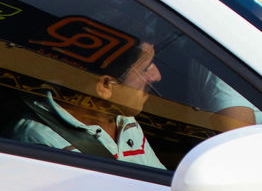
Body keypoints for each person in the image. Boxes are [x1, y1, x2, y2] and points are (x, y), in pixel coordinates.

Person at [10, 31, 165, 168]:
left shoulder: (122, 117)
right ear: (105, 86)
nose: (157, 76)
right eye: (145, 68)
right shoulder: (42, 142)